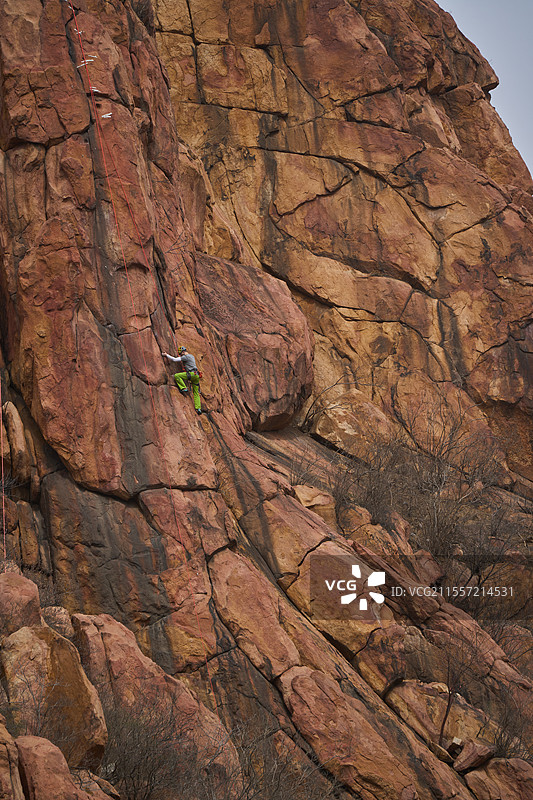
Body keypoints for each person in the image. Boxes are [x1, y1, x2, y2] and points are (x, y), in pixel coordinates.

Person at [162, 347, 202, 415]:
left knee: (177, 376)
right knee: (196, 393)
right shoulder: (192, 356)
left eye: (181, 354)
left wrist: (166, 355)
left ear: (183, 352)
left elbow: (174, 359)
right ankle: (198, 408)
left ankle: (183, 387)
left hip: (191, 374)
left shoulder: (186, 357)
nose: (181, 355)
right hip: (196, 376)